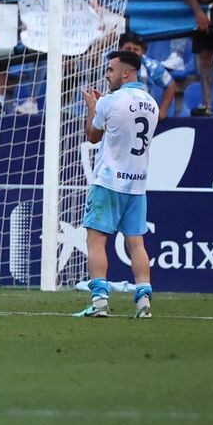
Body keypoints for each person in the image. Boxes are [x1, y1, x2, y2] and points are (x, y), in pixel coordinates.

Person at [76, 49, 157, 318]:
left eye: (110, 69)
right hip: (137, 184)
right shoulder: (152, 103)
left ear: (126, 72)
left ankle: (99, 302)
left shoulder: (110, 101)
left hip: (109, 181)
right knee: (137, 244)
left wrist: (92, 107)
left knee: (96, 240)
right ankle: (144, 303)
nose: (106, 74)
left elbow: (93, 135)